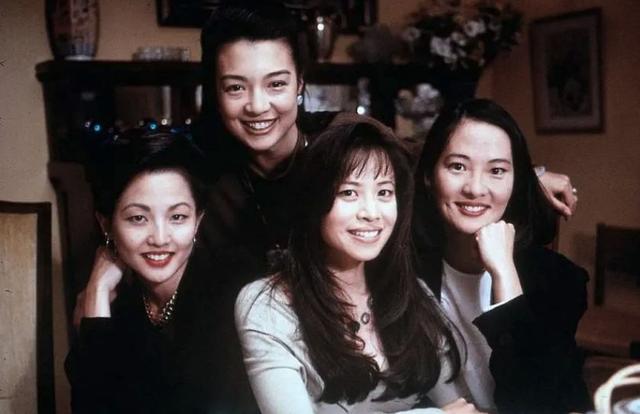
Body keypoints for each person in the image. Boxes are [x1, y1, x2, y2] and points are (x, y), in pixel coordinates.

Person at [196, 0, 578, 283]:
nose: (257, 106)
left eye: (276, 84)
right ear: (215, 90)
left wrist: (529, 174)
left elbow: (433, 158)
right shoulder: (200, 170)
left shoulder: (343, 137)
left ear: (300, 84)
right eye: (236, 87)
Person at [235, 121, 481, 413]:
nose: (371, 213)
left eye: (384, 192)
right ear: (314, 201)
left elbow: (463, 407)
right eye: (349, 193)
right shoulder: (267, 306)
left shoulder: (410, 293)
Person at [412, 99, 591, 413]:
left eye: (497, 171)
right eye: (457, 166)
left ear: (515, 181)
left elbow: (537, 405)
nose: (475, 188)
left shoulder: (558, 280)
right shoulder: (403, 270)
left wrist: (505, 275)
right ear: (429, 175)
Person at [65, 129, 256, 413]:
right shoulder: (108, 308)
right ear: (106, 225)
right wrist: (97, 293)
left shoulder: (235, 293)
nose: (160, 238)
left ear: (197, 221)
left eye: (177, 217)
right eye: (138, 218)